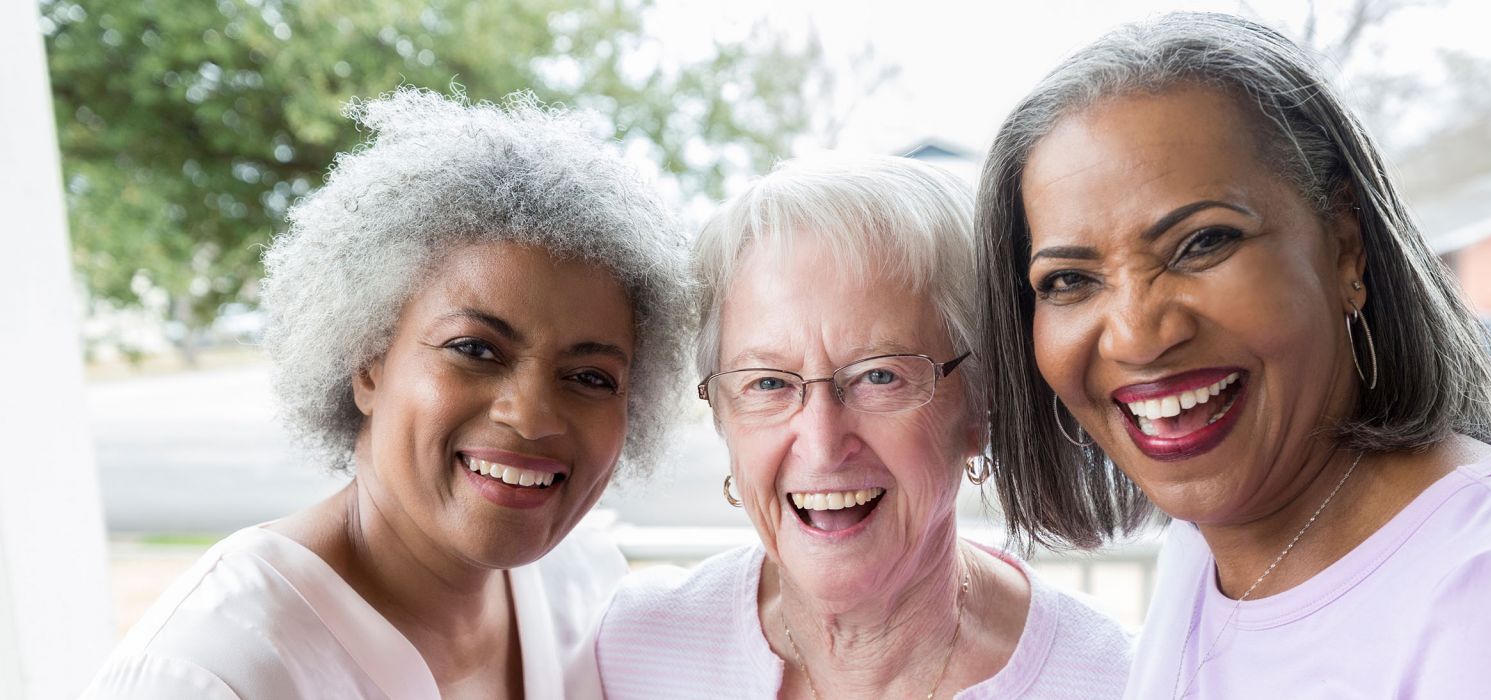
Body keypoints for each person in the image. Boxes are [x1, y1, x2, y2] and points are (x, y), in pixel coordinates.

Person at [974, 11, 1491, 699]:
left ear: (1345, 247)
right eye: (1071, 280)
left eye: (1203, 243)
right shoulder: (1207, 550)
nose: (1137, 336)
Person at [84, 88, 692, 699]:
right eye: (475, 349)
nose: (531, 417)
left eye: (591, 377)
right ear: (367, 361)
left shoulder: (583, 586)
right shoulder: (212, 670)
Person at [596, 155, 1132, 699]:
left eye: (880, 375)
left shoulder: (1119, 681)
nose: (823, 445)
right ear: (722, 416)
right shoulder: (633, 649)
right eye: (768, 383)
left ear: (979, 405)